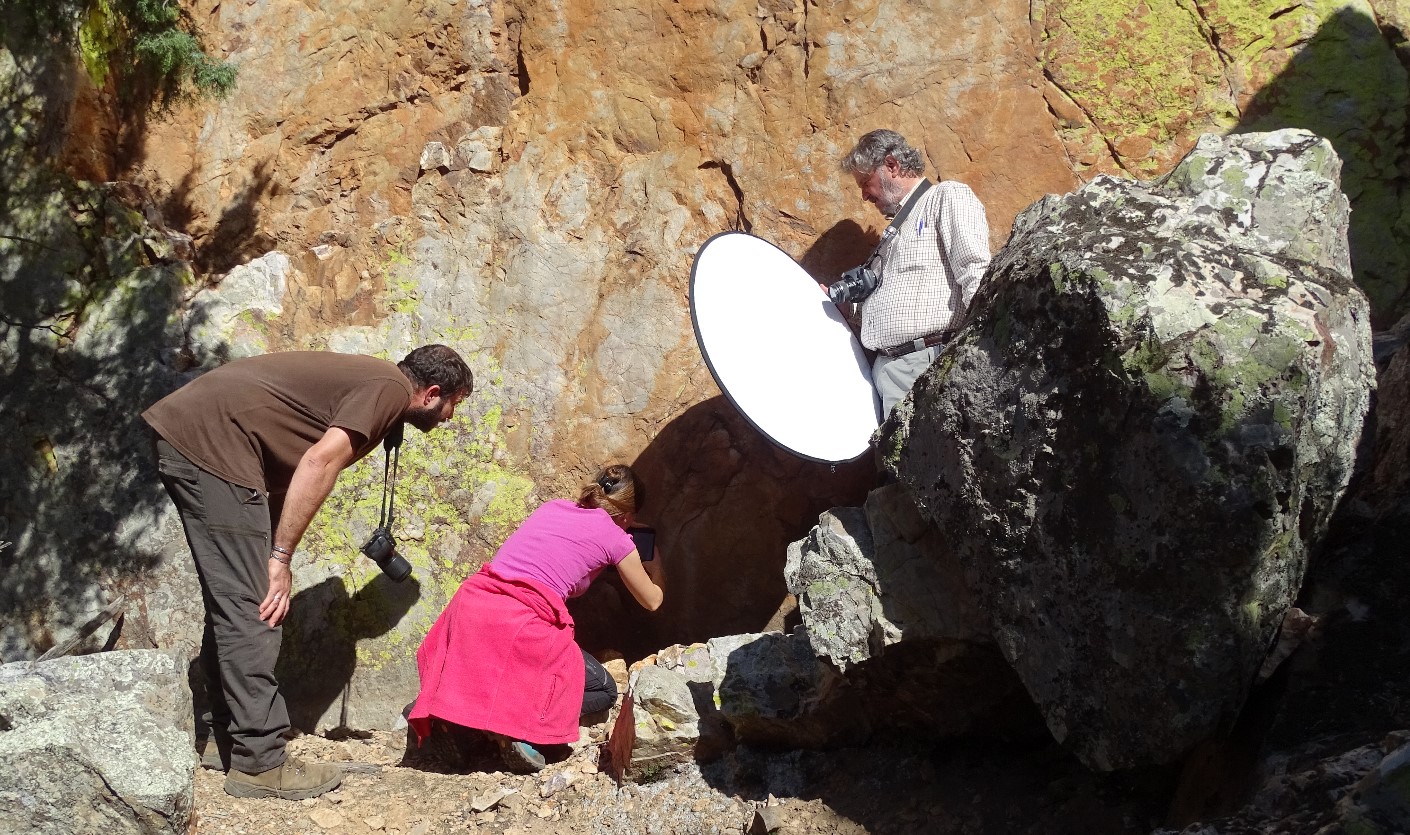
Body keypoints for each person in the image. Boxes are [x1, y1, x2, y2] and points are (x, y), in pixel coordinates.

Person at [143, 345, 473, 799]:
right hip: (215, 445)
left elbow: (289, 454)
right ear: (433, 393)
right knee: (258, 603)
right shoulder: (389, 389)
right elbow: (319, 461)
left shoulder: (374, 380)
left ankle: (227, 739)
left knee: (237, 599)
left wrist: (269, 545)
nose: (451, 417)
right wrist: (279, 558)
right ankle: (260, 764)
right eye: (455, 404)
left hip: (203, 437)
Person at [408, 464, 663, 773]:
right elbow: (652, 600)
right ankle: (519, 727)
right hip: (520, 622)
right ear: (627, 516)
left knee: (494, 669)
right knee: (604, 689)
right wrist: (655, 562)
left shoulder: (554, 507)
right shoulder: (616, 538)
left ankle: (454, 721)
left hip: (471, 606)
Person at [832, 129, 993, 417]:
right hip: (886, 375)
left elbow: (976, 272)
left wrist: (989, 350)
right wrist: (848, 310)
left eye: (865, 183)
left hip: (925, 364)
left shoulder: (946, 196)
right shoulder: (892, 234)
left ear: (891, 166)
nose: (864, 196)